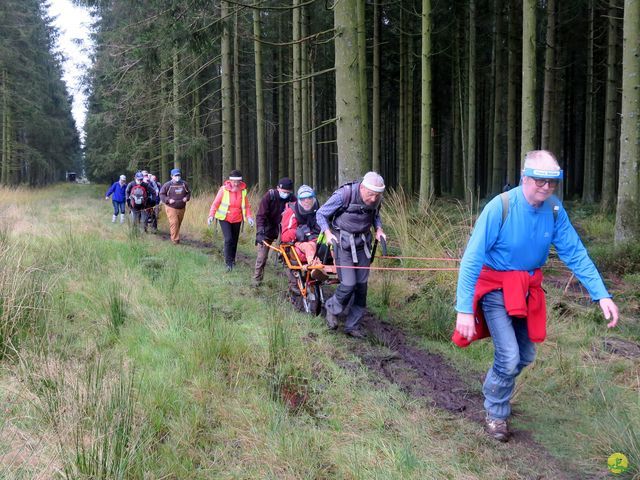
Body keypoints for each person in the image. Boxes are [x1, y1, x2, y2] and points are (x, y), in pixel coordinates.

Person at [453, 150, 619, 442]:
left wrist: (601, 295)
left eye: (552, 182)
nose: (546, 187)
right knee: (508, 357)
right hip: (495, 289)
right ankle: (496, 413)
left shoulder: (554, 210)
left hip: (527, 290)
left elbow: (575, 253)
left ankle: (495, 388)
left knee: (525, 355)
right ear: (525, 178)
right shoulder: (500, 207)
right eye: (540, 180)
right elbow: (471, 259)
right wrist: (464, 309)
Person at [316, 172, 387, 338]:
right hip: (343, 244)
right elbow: (321, 214)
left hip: (363, 244)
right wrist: (327, 233)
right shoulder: (344, 195)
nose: (372, 199)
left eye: (377, 196)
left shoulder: (376, 200)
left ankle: (353, 325)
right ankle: (332, 308)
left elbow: (375, 215)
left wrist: (379, 229)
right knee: (348, 283)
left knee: (361, 287)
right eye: (370, 194)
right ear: (362, 187)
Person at [208, 170, 254, 271]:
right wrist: (211, 215)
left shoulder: (243, 190)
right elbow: (215, 203)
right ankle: (228, 263)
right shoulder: (223, 190)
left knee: (234, 240)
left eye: (238, 182)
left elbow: (246, 206)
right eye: (234, 181)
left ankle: (232, 260)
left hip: (237, 219)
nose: (236, 184)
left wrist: (249, 217)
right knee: (228, 239)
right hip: (224, 218)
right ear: (230, 181)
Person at [252, 177, 295, 286]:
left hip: (284, 231)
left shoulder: (293, 199)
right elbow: (261, 216)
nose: (286, 194)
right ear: (278, 188)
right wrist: (260, 232)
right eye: (284, 192)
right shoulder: (269, 196)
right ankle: (256, 280)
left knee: (287, 257)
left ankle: (293, 283)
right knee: (261, 257)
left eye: (288, 192)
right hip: (267, 229)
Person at [159, 168, 191, 244]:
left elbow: (188, 193)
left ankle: (175, 236)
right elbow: (161, 194)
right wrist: (168, 200)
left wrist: (186, 198)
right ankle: (175, 240)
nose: (177, 177)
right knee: (174, 222)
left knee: (178, 223)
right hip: (171, 207)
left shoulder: (184, 184)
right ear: (171, 176)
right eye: (175, 176)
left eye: (178, 175)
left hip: (181, 207)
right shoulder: (167, 185)